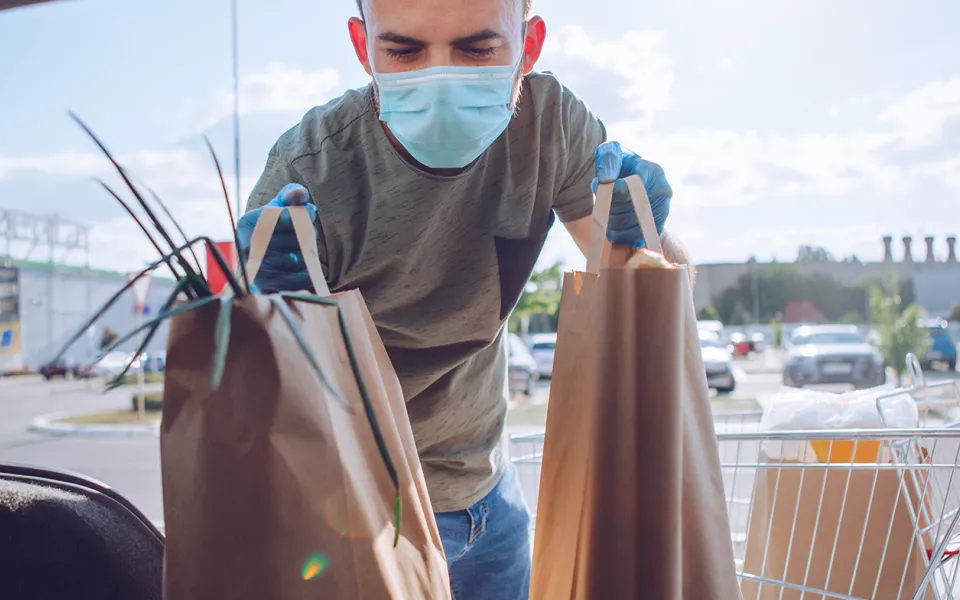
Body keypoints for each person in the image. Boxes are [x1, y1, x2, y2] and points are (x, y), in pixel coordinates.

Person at [236, 0, 679, 597]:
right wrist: (261, 308)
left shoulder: (550, 127)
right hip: (369, 512)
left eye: (476, 50)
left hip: (493, 496)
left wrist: (642, 234)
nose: (441, 81)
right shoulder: (313, 167)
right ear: (362, 45)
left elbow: (654, 288)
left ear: (529, 44)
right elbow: (251, 391)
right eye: (403, 51)